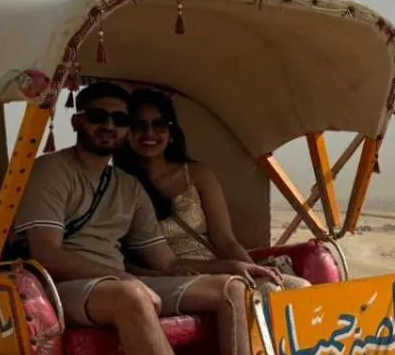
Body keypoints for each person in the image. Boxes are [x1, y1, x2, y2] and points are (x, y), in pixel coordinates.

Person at [10, 81, 252, 355]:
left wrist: (232, 265)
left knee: (231, 289)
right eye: (99, 116)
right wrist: (125, 278)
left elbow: (165, 262)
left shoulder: (128, 187)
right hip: (63, 287)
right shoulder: (52, 171)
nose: (110, 126)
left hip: (117, 283)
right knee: (131, 296)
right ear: (78, 121)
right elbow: (47, 252)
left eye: (121, 120)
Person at [114, 87, 310, 289]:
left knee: (298, 287)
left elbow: (225, 241)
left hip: (217, 267)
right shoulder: (120, 186)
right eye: (139, 125)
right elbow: (122, 254)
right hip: (173, 275)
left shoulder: (197, 175)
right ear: (127, 134)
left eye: (159, 125)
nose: (149, 133)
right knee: (262, 292)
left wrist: (252, 270)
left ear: (171, 133)